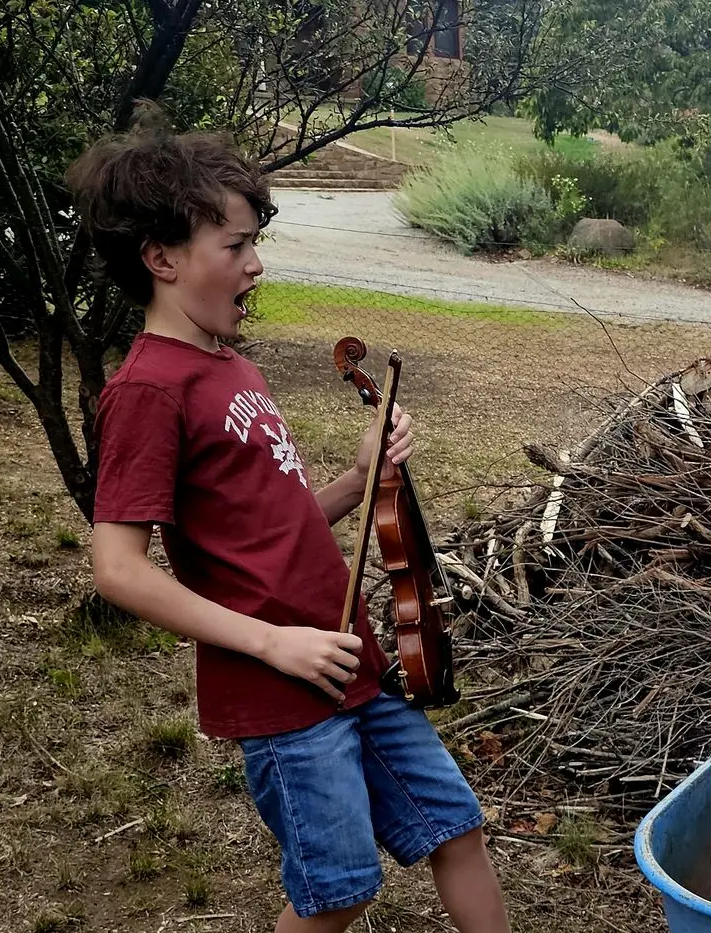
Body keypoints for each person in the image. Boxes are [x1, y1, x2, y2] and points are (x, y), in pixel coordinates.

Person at [73, 108, 511, 933]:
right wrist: (275, 641)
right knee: (338, 888)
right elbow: (117, 568)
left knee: (457, 827)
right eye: (234, 246)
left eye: (253, 243)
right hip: (281, 688)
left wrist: (358, 476)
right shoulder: (147, 390)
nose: (256, 264)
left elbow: (278, 524)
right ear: (162, 258)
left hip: (348, 660)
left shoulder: (231, 365)